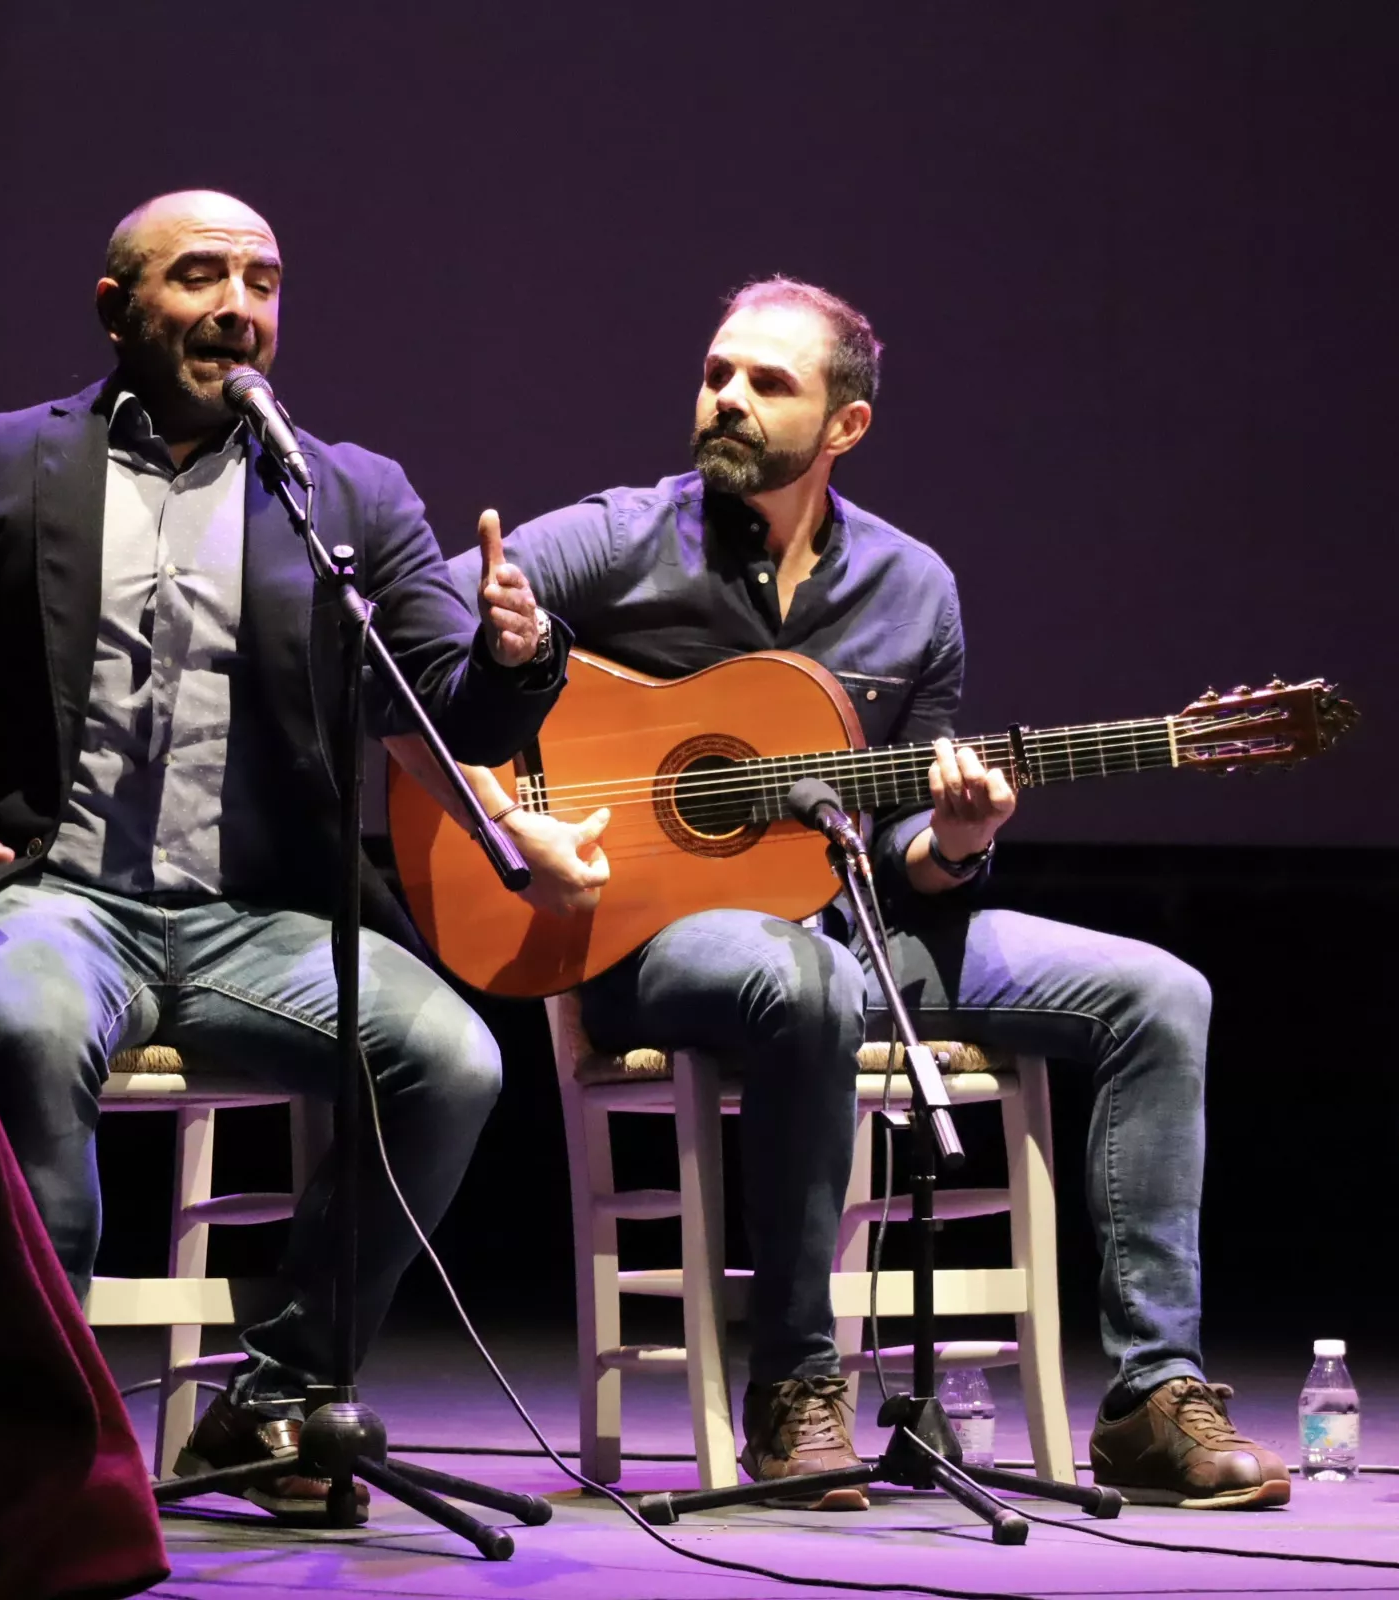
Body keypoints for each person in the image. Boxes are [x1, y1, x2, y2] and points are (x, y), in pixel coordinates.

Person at [445, 277, 1291, 1511]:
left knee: (1159, 994)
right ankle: (796, 1385)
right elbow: (436, 696)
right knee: (808, 979)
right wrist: (513, 796)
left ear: (845, 426)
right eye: (718, 371)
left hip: (860, 927)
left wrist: (952, 841)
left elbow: (902, 850)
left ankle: (1155, 1396)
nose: (726, 396)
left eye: (767, 382)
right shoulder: (615, 540)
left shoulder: (914, 587)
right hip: (649, 943)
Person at [0, 189, 567, 1521]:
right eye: (201, 276)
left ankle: (280, 1400)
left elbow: (448, 708)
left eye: (265, 280)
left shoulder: (347, 495)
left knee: (454, 1057)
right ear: (117, 306)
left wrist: (516, 662)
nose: (240, 307)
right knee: (18, 1021)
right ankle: (34, 1413)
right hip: (57, 896)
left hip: (257, 921)